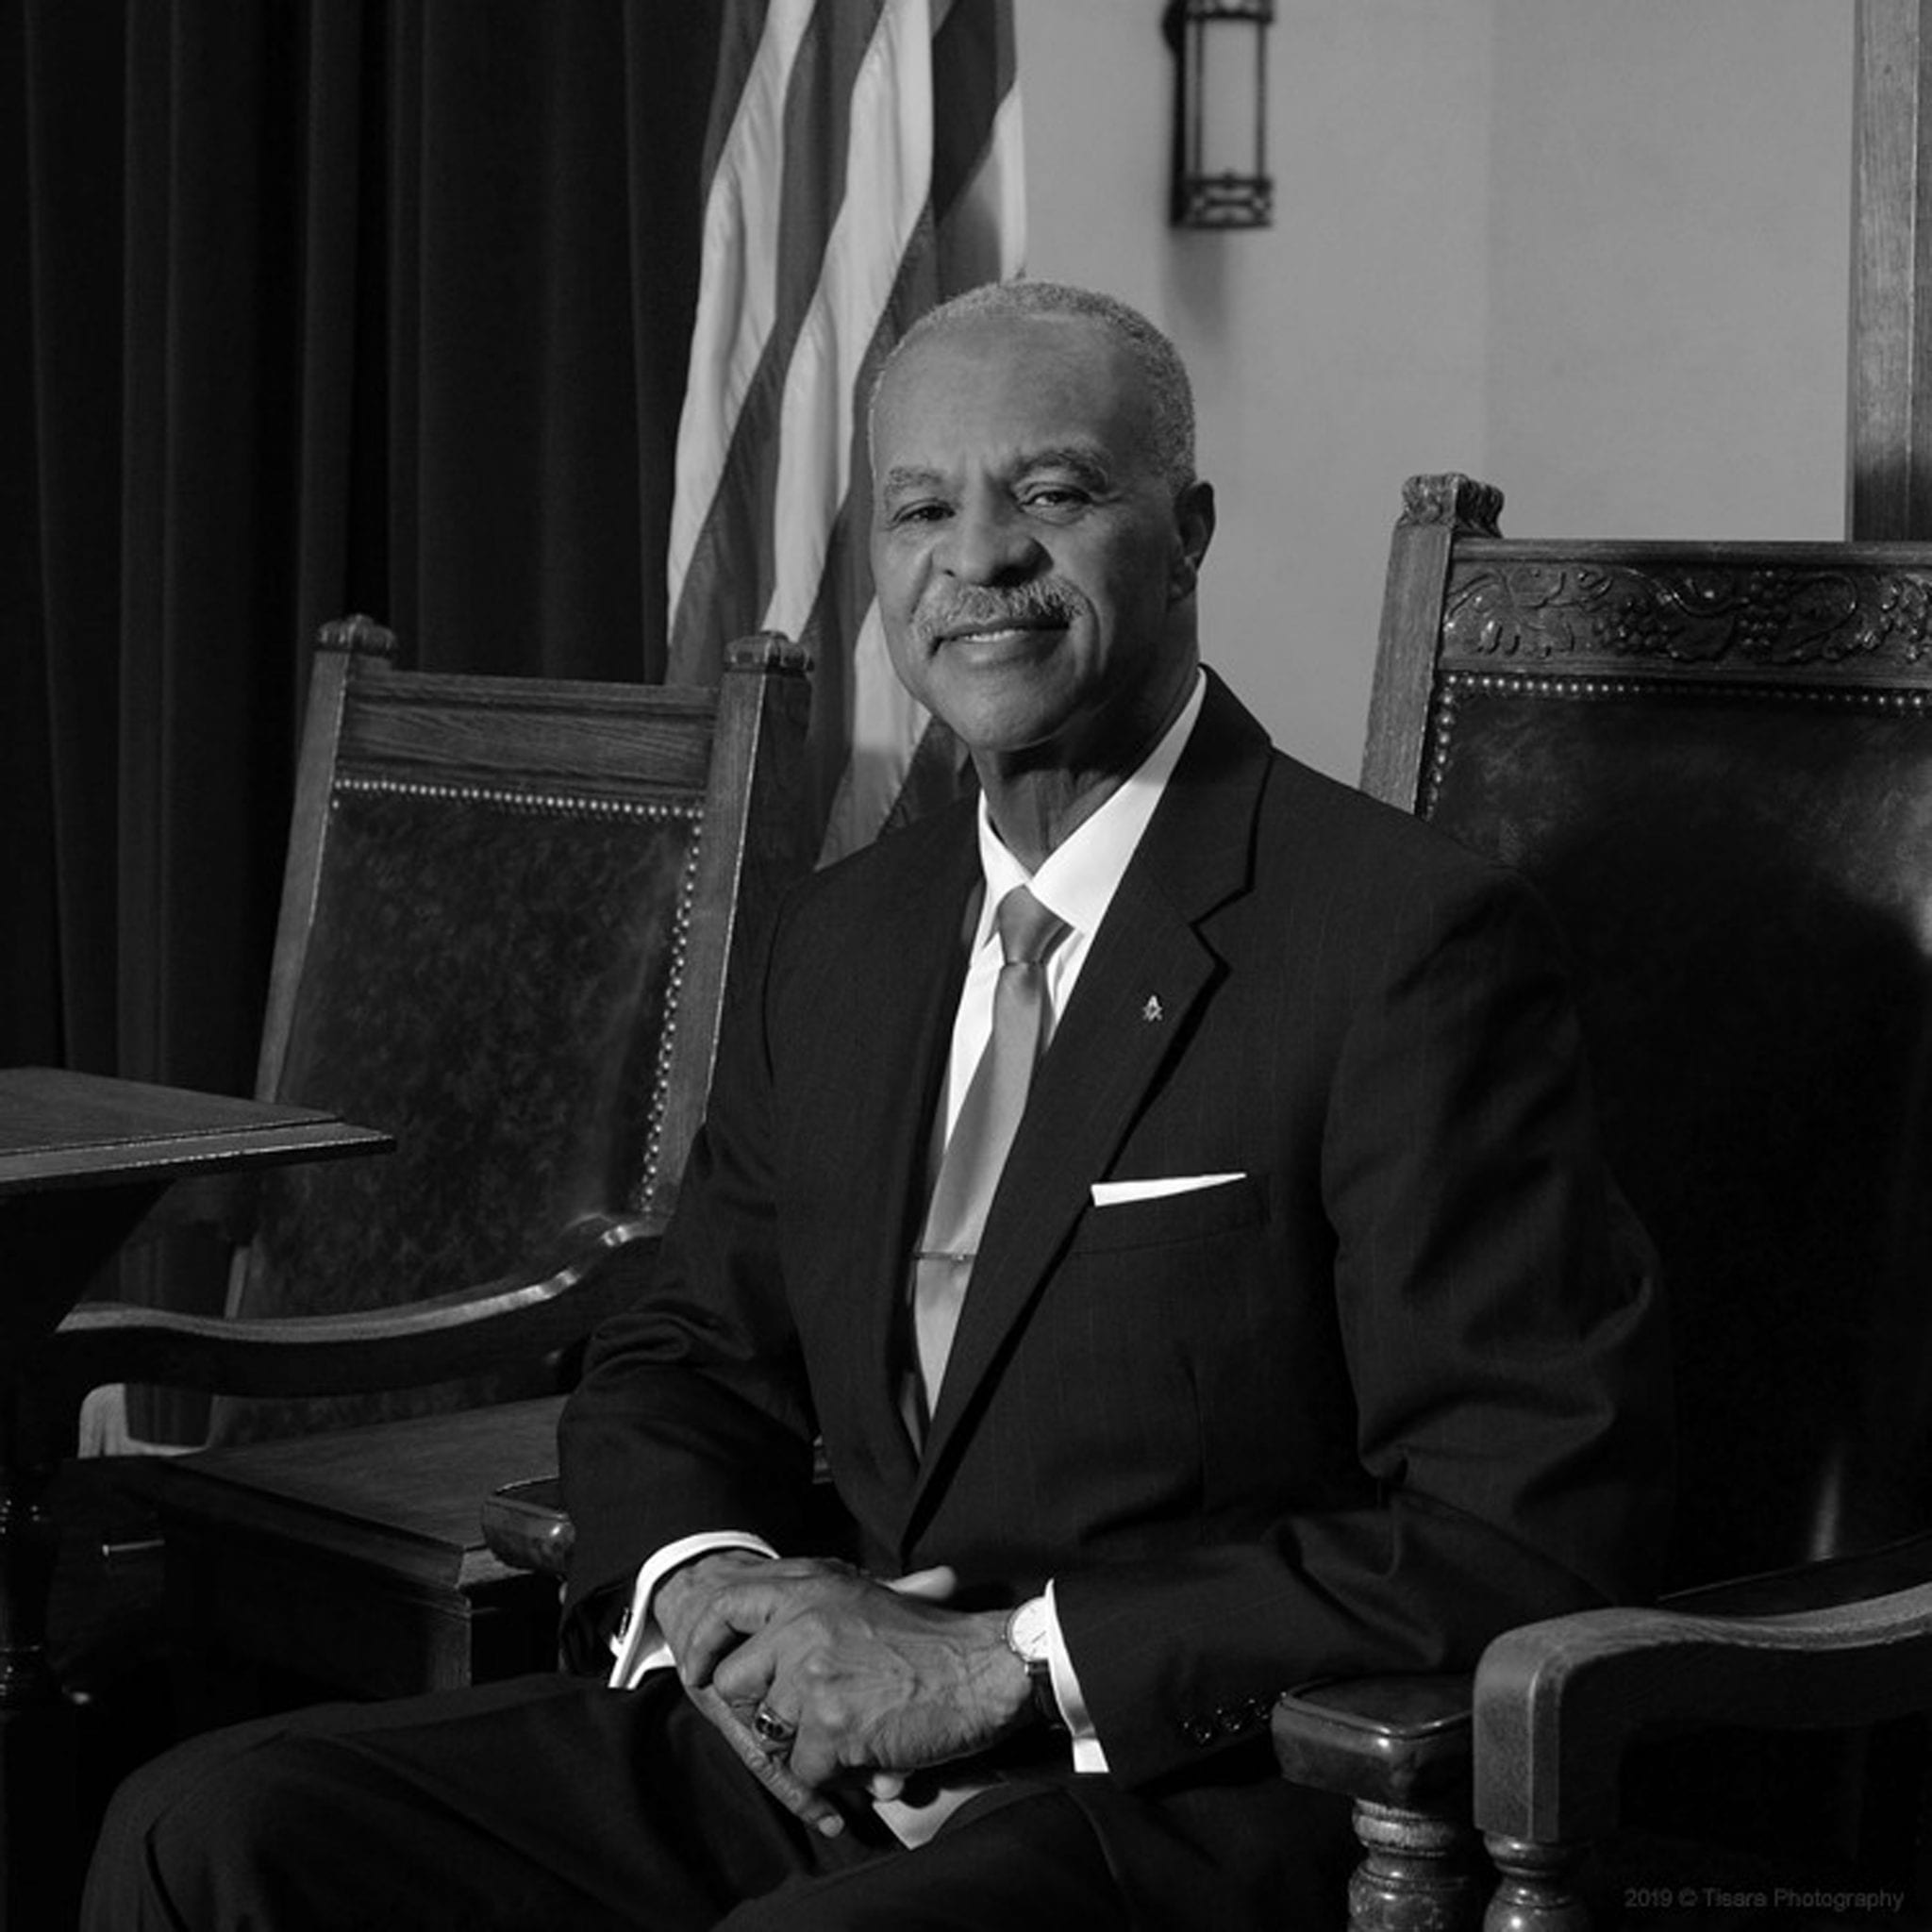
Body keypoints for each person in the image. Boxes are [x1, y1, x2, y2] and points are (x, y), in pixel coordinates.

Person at [85, 280, 1671, 1930]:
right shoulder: (843, 939)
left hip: (1179, 1800)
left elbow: (1526, 1530)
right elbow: (681, 1360)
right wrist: (722, 1601)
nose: (977, 556)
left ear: (1187, 530)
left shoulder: (1403, 944)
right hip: (806, 1750)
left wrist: (1006, 1668)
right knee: (206, 1828)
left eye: (1052, 494)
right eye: (922, 506)